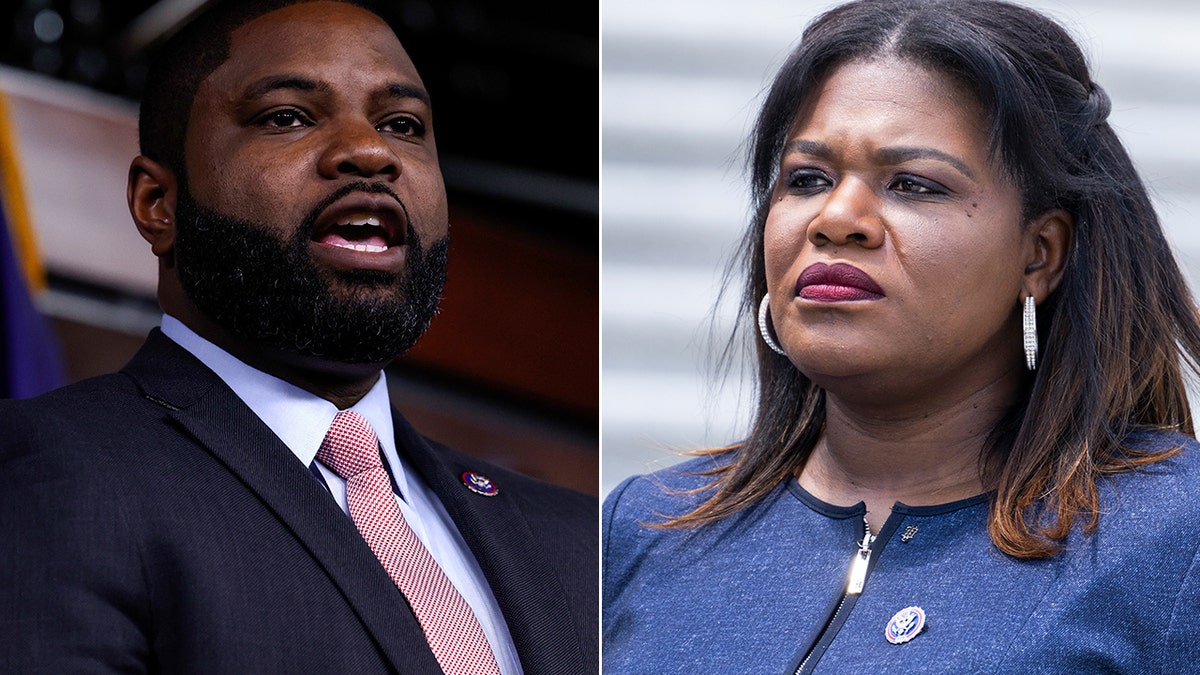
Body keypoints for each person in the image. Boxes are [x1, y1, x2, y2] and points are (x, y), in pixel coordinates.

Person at [602, 0, 1200, 672]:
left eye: (914, 184)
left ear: (1039, 254)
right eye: (807, 179)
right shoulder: (645, 529)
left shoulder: (1172, 533)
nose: (837, 218)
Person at [0, 1, 597, 673]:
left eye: (402, 125)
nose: (370, 152)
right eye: (286, 116)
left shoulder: (578, 539)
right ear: (157, 204)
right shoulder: (53, 466)